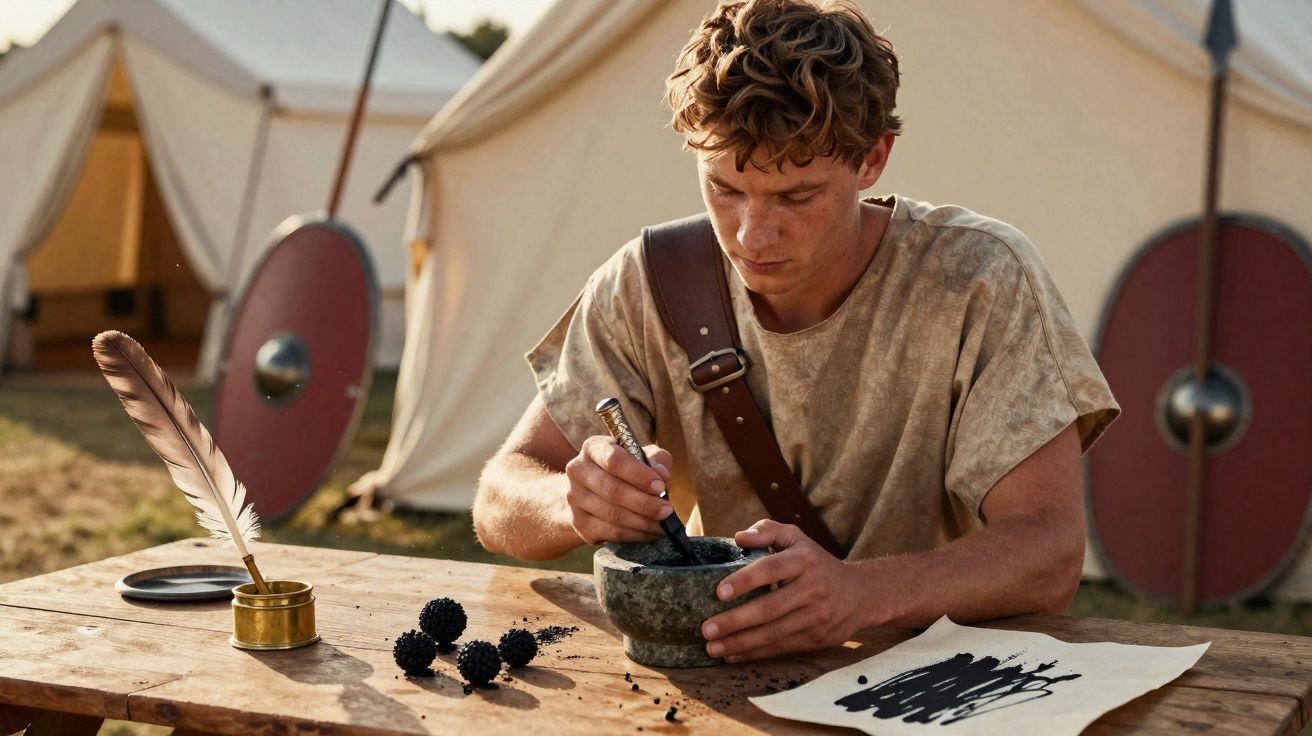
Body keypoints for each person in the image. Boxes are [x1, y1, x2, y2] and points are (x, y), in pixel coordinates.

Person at [473, 0, 1119, 663]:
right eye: (724, 188)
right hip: (720, 679)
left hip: (931, 682)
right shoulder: (652, 283)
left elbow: (1049, 551)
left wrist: (860, 593)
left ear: (873, 159)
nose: (752, 236)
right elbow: (501, 495)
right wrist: (573, 503)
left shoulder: (979, 278)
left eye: (797, 197)